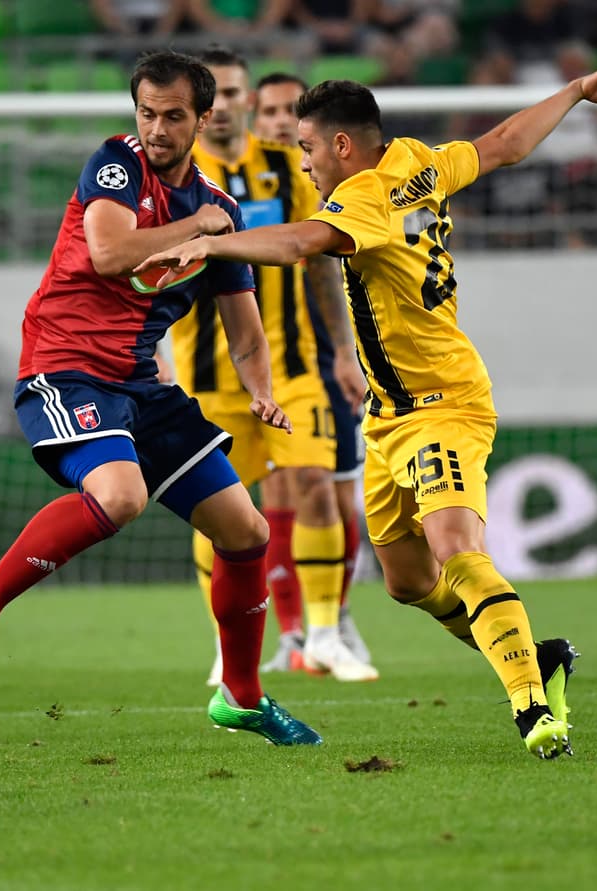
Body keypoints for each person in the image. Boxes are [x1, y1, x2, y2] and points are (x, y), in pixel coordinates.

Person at [136, 56, 597, 758]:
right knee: (410, 580)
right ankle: (540, 654)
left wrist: (210, 242)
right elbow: (503, 143)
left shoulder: (364, 197)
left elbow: (298, 242)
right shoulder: (418, 159)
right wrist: (572, 91)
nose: (308, 166)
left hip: (442, 403)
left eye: (310, 150)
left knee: (456, 550)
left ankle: (533, 705)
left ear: (343, 146)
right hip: (390, 415)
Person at [0, 50, 321, 746]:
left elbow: (246, 334)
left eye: (175, 116)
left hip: (142, 384)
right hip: (64, 367)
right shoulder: (115, 163)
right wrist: (197, 230)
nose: (159, 128)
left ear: (203, 118)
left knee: (247, 532)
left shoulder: (223, 212)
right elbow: (111, 253)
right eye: (148, 113)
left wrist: (260, 392)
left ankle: (242, 696)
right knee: (120, 496)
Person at [172, 49, 375, 685]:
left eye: (237, 93)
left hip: (293, 363)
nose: (228, 106)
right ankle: (222, 642)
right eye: (220, 96)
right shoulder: (172, 177)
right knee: (215, 510)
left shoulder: (291, 168)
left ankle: (323, 635)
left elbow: (320, 261)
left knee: (315, 482)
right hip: (205, 374)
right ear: (203, 110)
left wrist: (343, 351)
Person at [252, 69, 375, 670]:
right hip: (255, 367)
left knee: (330, 492)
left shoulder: (330, 191)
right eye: (268, 110)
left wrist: (345, 353)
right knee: (274, 493)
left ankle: (337, 617)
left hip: (323, 363)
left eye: (287, 112)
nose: (277, 121)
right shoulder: (229, 183)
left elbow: (325, 267)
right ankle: (293, 633)